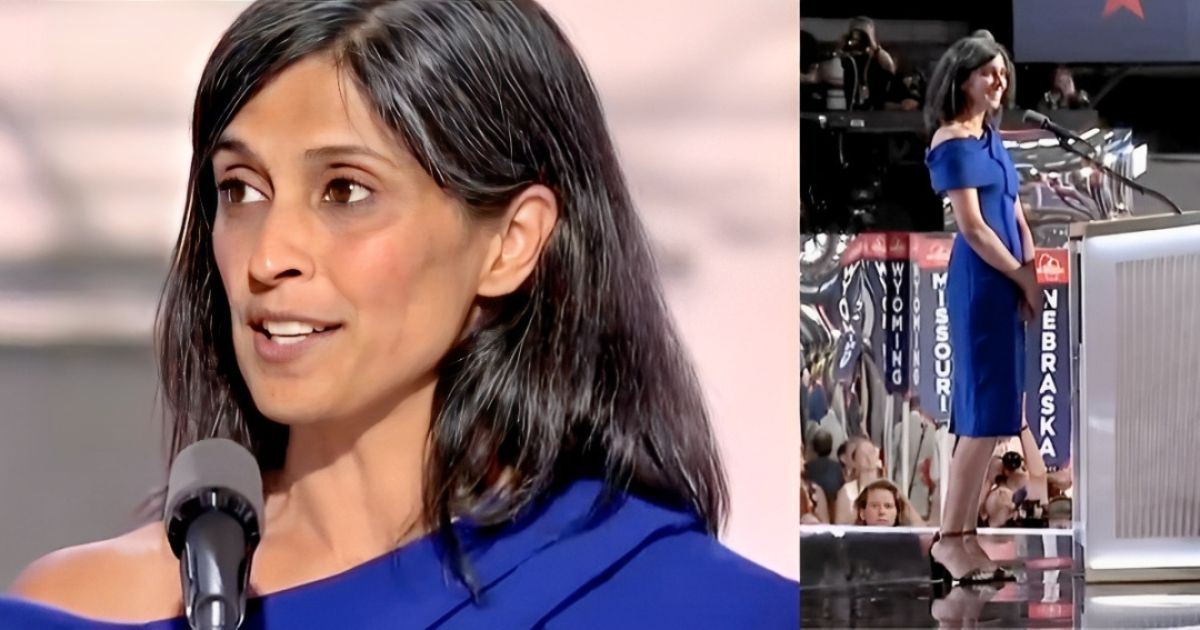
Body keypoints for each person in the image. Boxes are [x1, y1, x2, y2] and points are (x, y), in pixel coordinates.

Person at [0, 1, 798, 628]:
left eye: (345, 191)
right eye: (240, 189)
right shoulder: (85, 607)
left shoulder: (703, 607)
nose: (268, 253)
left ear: (512, 242)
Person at [923, 31, 1040, 585]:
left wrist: (1031, 266)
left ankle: (967, 538)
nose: (999, 81)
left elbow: (1012, 210)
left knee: (993, 419)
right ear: (962, 78)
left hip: (1008, 280)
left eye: (1002, 72)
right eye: (988, 72)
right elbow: (972, 226)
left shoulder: (992, 138)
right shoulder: (951, 141)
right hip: (980, 284)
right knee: (980, 418)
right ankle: (949, 541)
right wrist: (1017, 273)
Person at [837, 16, 899, 111]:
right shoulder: (848, 58)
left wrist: (873, 45)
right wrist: (842, 47)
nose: (859, 39)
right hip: (850, 107)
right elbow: (832, 69)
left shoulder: (877, 57)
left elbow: (890, 68)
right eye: (856, 34)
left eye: (863, 35)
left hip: (874, 110)